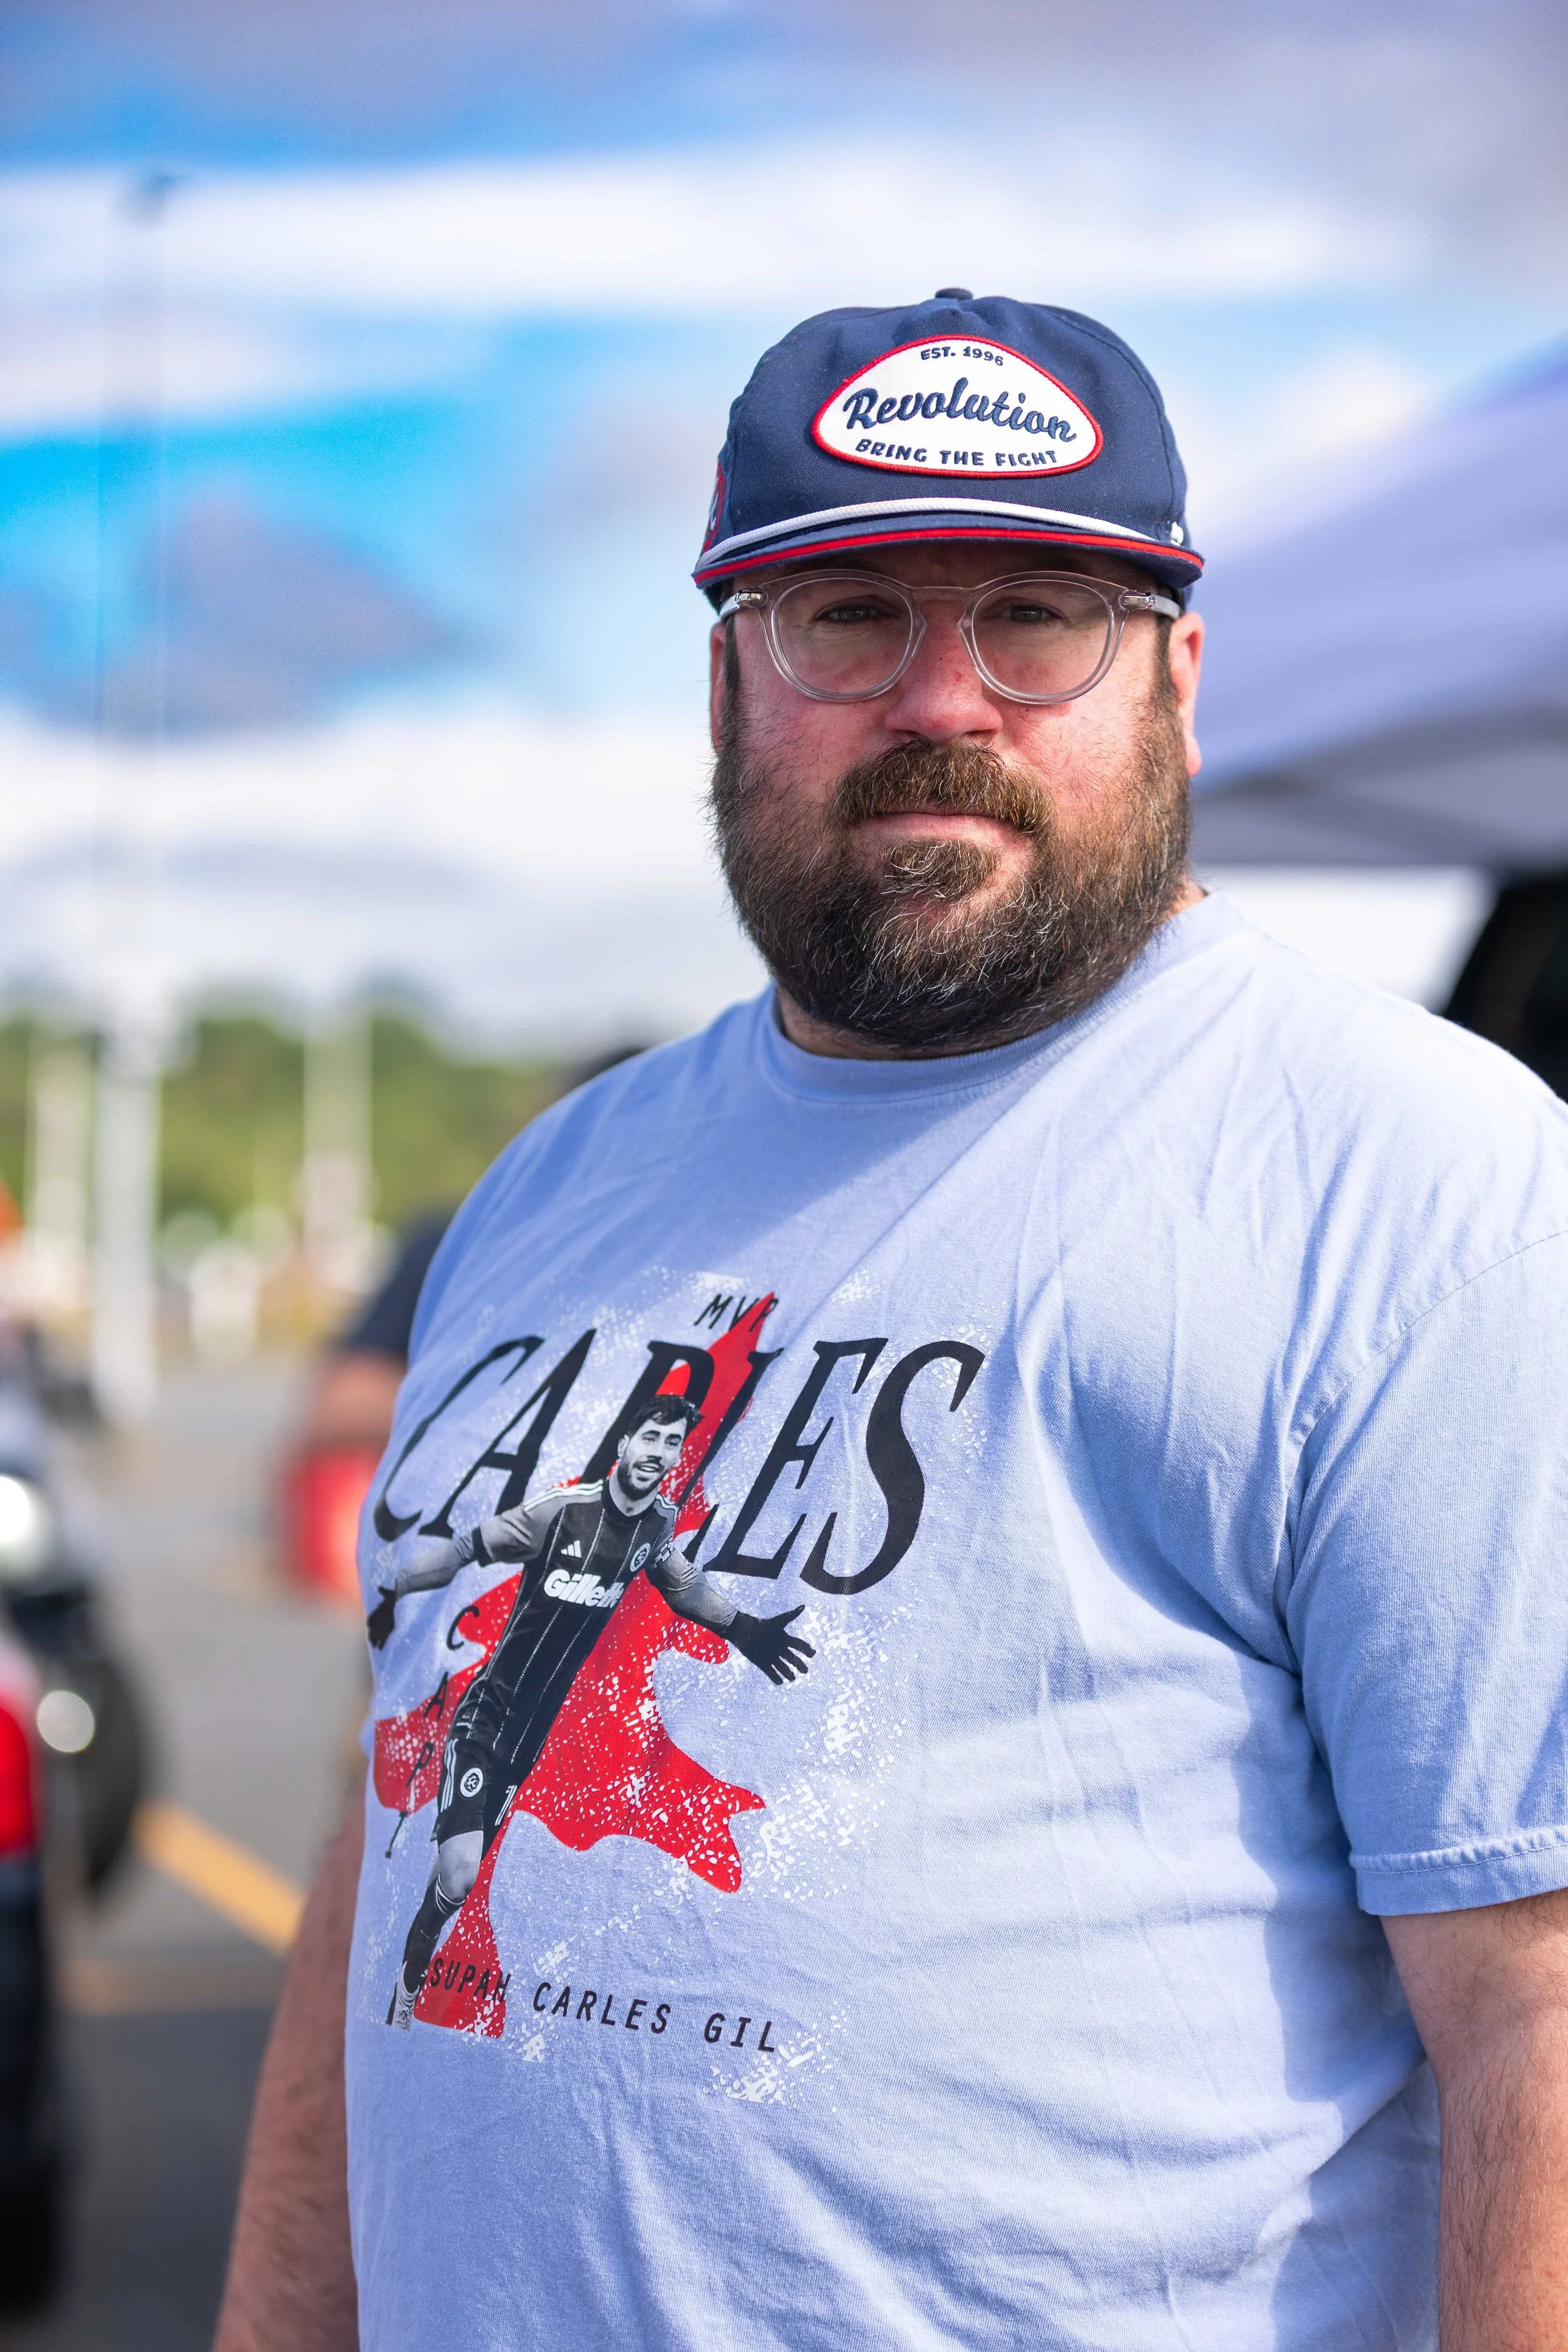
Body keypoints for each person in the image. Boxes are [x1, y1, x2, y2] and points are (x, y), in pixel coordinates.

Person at [218, 291, 1568, 2352]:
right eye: (848, 617)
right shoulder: (550, 1197)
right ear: (723, 684)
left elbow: (1537, 2014)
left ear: (1180, 684)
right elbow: (374, 1850)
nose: (947, 698)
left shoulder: (1424, 1185)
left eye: (1040, 615)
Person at [371, 1393, 812, 2026]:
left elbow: (685, 1590)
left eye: (670, 1444)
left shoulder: (655, 1529)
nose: (656, 1453)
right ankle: (407, 1997)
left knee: (449, 1894)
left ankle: (408, 1977)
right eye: (649, 1437)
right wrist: (394, 1591)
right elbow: (467, 1547)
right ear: (624, 1443)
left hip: (528, 1741)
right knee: (462, 1873)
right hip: (486, 1719)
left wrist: (745, 1631)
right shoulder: (562, 1511)